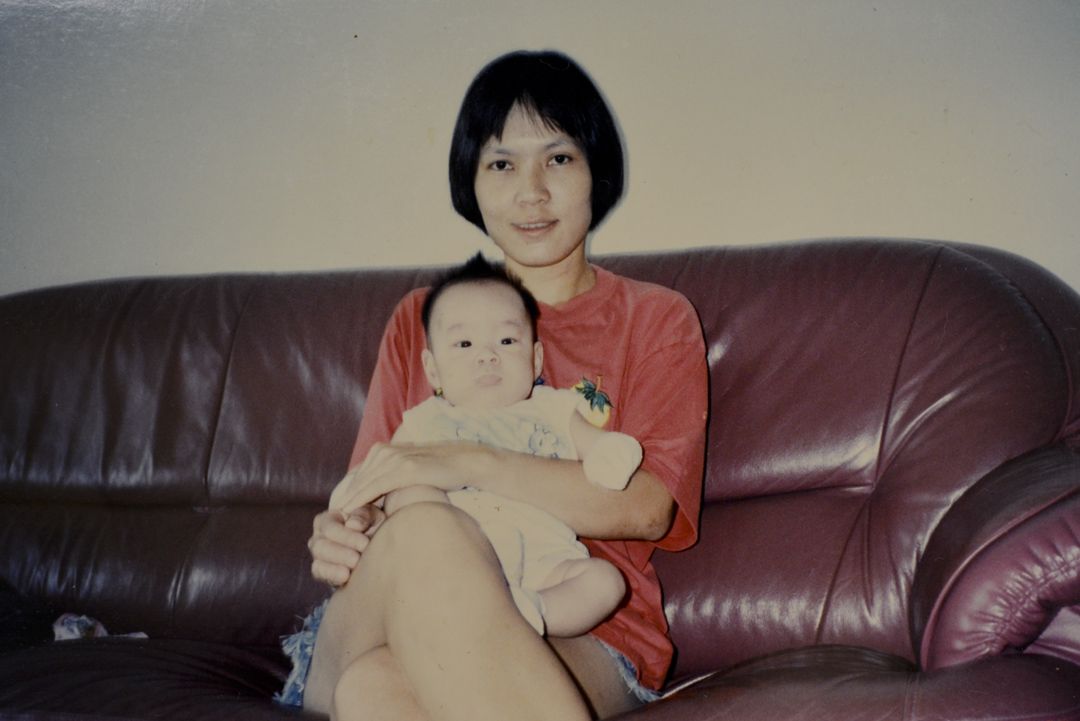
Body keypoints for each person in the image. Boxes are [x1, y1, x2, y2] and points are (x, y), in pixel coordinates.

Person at [297, 50, 708, 721]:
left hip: (581, 626)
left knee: (373, 694)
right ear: (472, 181)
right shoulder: (422, 320)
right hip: (387, 611)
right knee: (422, 529)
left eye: (559, 158)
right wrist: (342, 528)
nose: (531, 192)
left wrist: (469, 461)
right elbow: (374, 490)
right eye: (501, 164)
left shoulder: (655, 319)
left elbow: (645, 508)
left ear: (597, 171)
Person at [328, 252, 640, 638]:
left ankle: (528, 614)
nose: (487, 356)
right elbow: (376, 474)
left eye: (506, 340)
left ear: (536, 359)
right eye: (464, 344)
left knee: (605, 582)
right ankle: (472, 605)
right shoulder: (425, 421)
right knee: (410, 491)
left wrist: (610, 455)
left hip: (542, 562)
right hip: (452, 559)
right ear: (432, 370)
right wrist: (351, 503)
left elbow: (601, 448)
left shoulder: (554, 409)